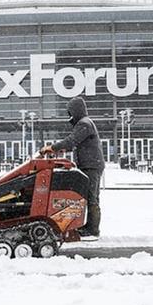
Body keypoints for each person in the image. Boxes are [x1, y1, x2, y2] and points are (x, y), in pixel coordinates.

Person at [40, 97, 104, 240]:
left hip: (92, 166)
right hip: (89, 164)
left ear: (75, 111)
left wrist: (52, 148)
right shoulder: (84, 123)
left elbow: (71, 141)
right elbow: (74, 143)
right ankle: (88, 227)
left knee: (92, 197)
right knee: (88, 197)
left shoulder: (84, 124)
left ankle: (93, 230)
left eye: (70, 112)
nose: (69, 116)